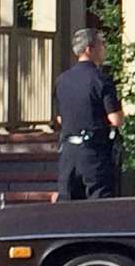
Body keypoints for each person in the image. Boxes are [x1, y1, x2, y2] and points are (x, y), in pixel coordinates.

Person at [53, 28, 124, 200]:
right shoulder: (101, 79)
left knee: (69, 205)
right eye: (101, 44)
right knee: (99, 205)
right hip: (94, 153)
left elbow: (60, 118)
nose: (104, 49)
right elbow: (115, 118)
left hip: (68, 153)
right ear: (89, 49)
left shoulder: (62, 80)